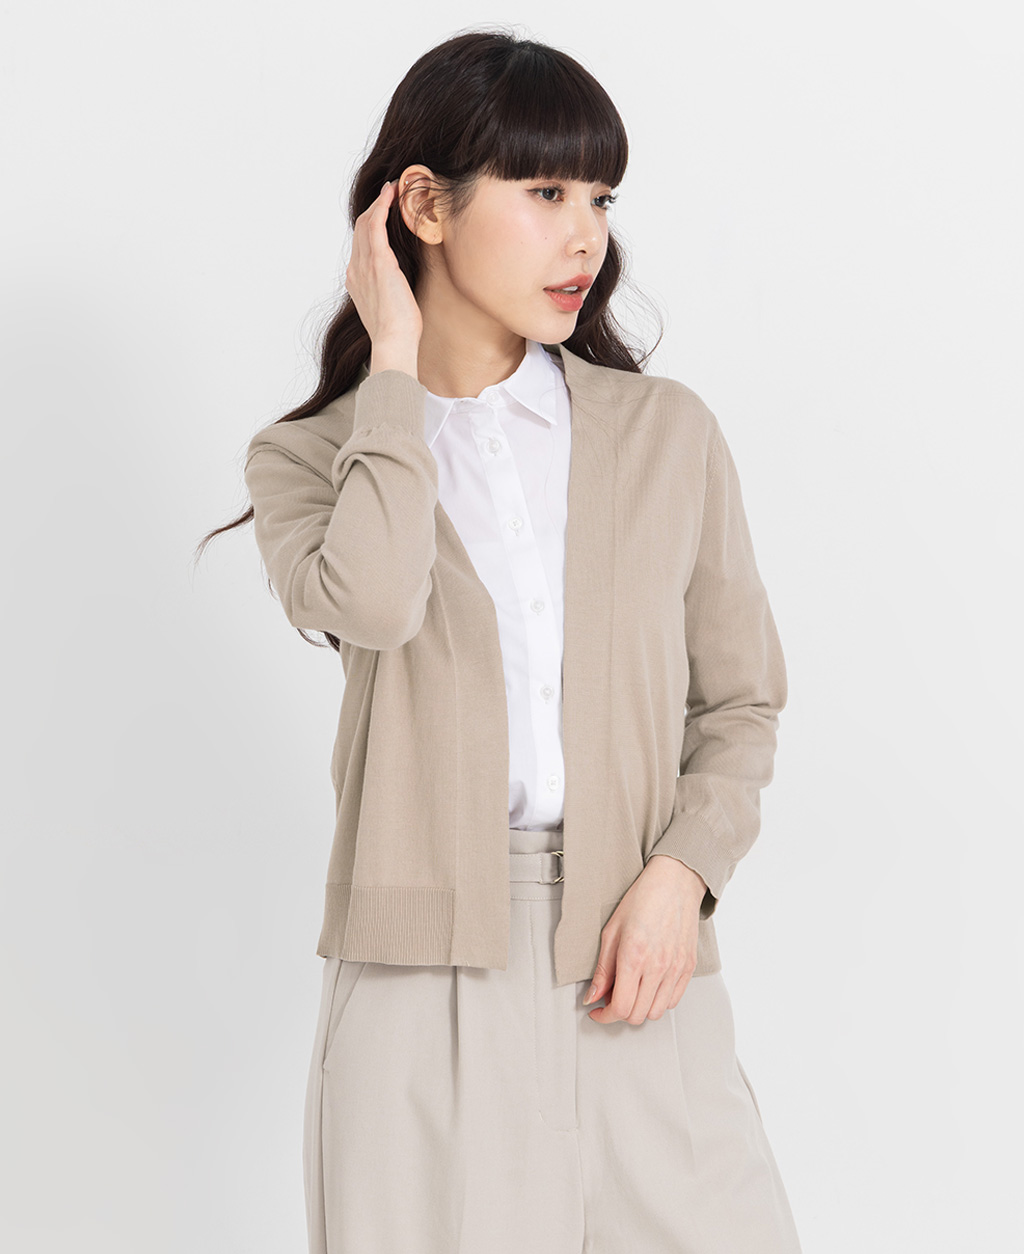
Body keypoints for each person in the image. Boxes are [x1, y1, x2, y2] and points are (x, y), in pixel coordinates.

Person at [198, 25, 804, 1254]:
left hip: (638, 960)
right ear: (423, 205)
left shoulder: (667, 434)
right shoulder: (310, 459)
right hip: (421, 991)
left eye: (599, 198)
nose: (585, 237)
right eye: (545, 193)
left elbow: (740, 704)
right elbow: (375, 602)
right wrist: (394, 367)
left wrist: (682, 876)